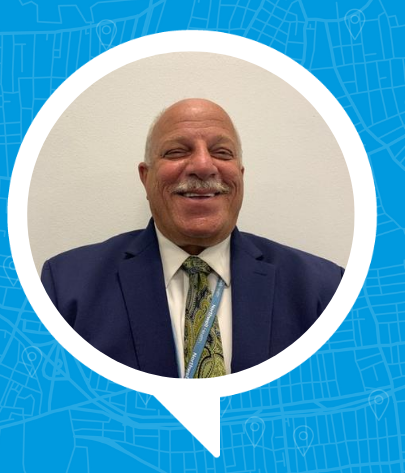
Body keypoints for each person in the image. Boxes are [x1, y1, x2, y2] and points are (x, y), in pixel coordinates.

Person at [40, 98, 344, 378]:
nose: (203, 166)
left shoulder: (324, 289)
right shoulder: (65, 288)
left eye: (221, 152)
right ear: (146, 178)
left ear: (240, 175)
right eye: (177, 151)